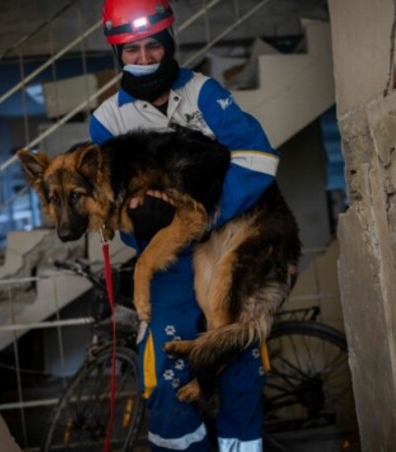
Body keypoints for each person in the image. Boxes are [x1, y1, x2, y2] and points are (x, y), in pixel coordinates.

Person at [89, 0, 280, 450]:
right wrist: (140, 227)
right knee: (166, 385)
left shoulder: (205, 94)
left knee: (239, 368)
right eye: (131, 51)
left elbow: (258, 159)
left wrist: (206, 215)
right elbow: (114, 207)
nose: (143, 59)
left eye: (152, 46)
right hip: (168, 266)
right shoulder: (106, 122)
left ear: (169, 42)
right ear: (118, 55)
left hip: (227, 246)